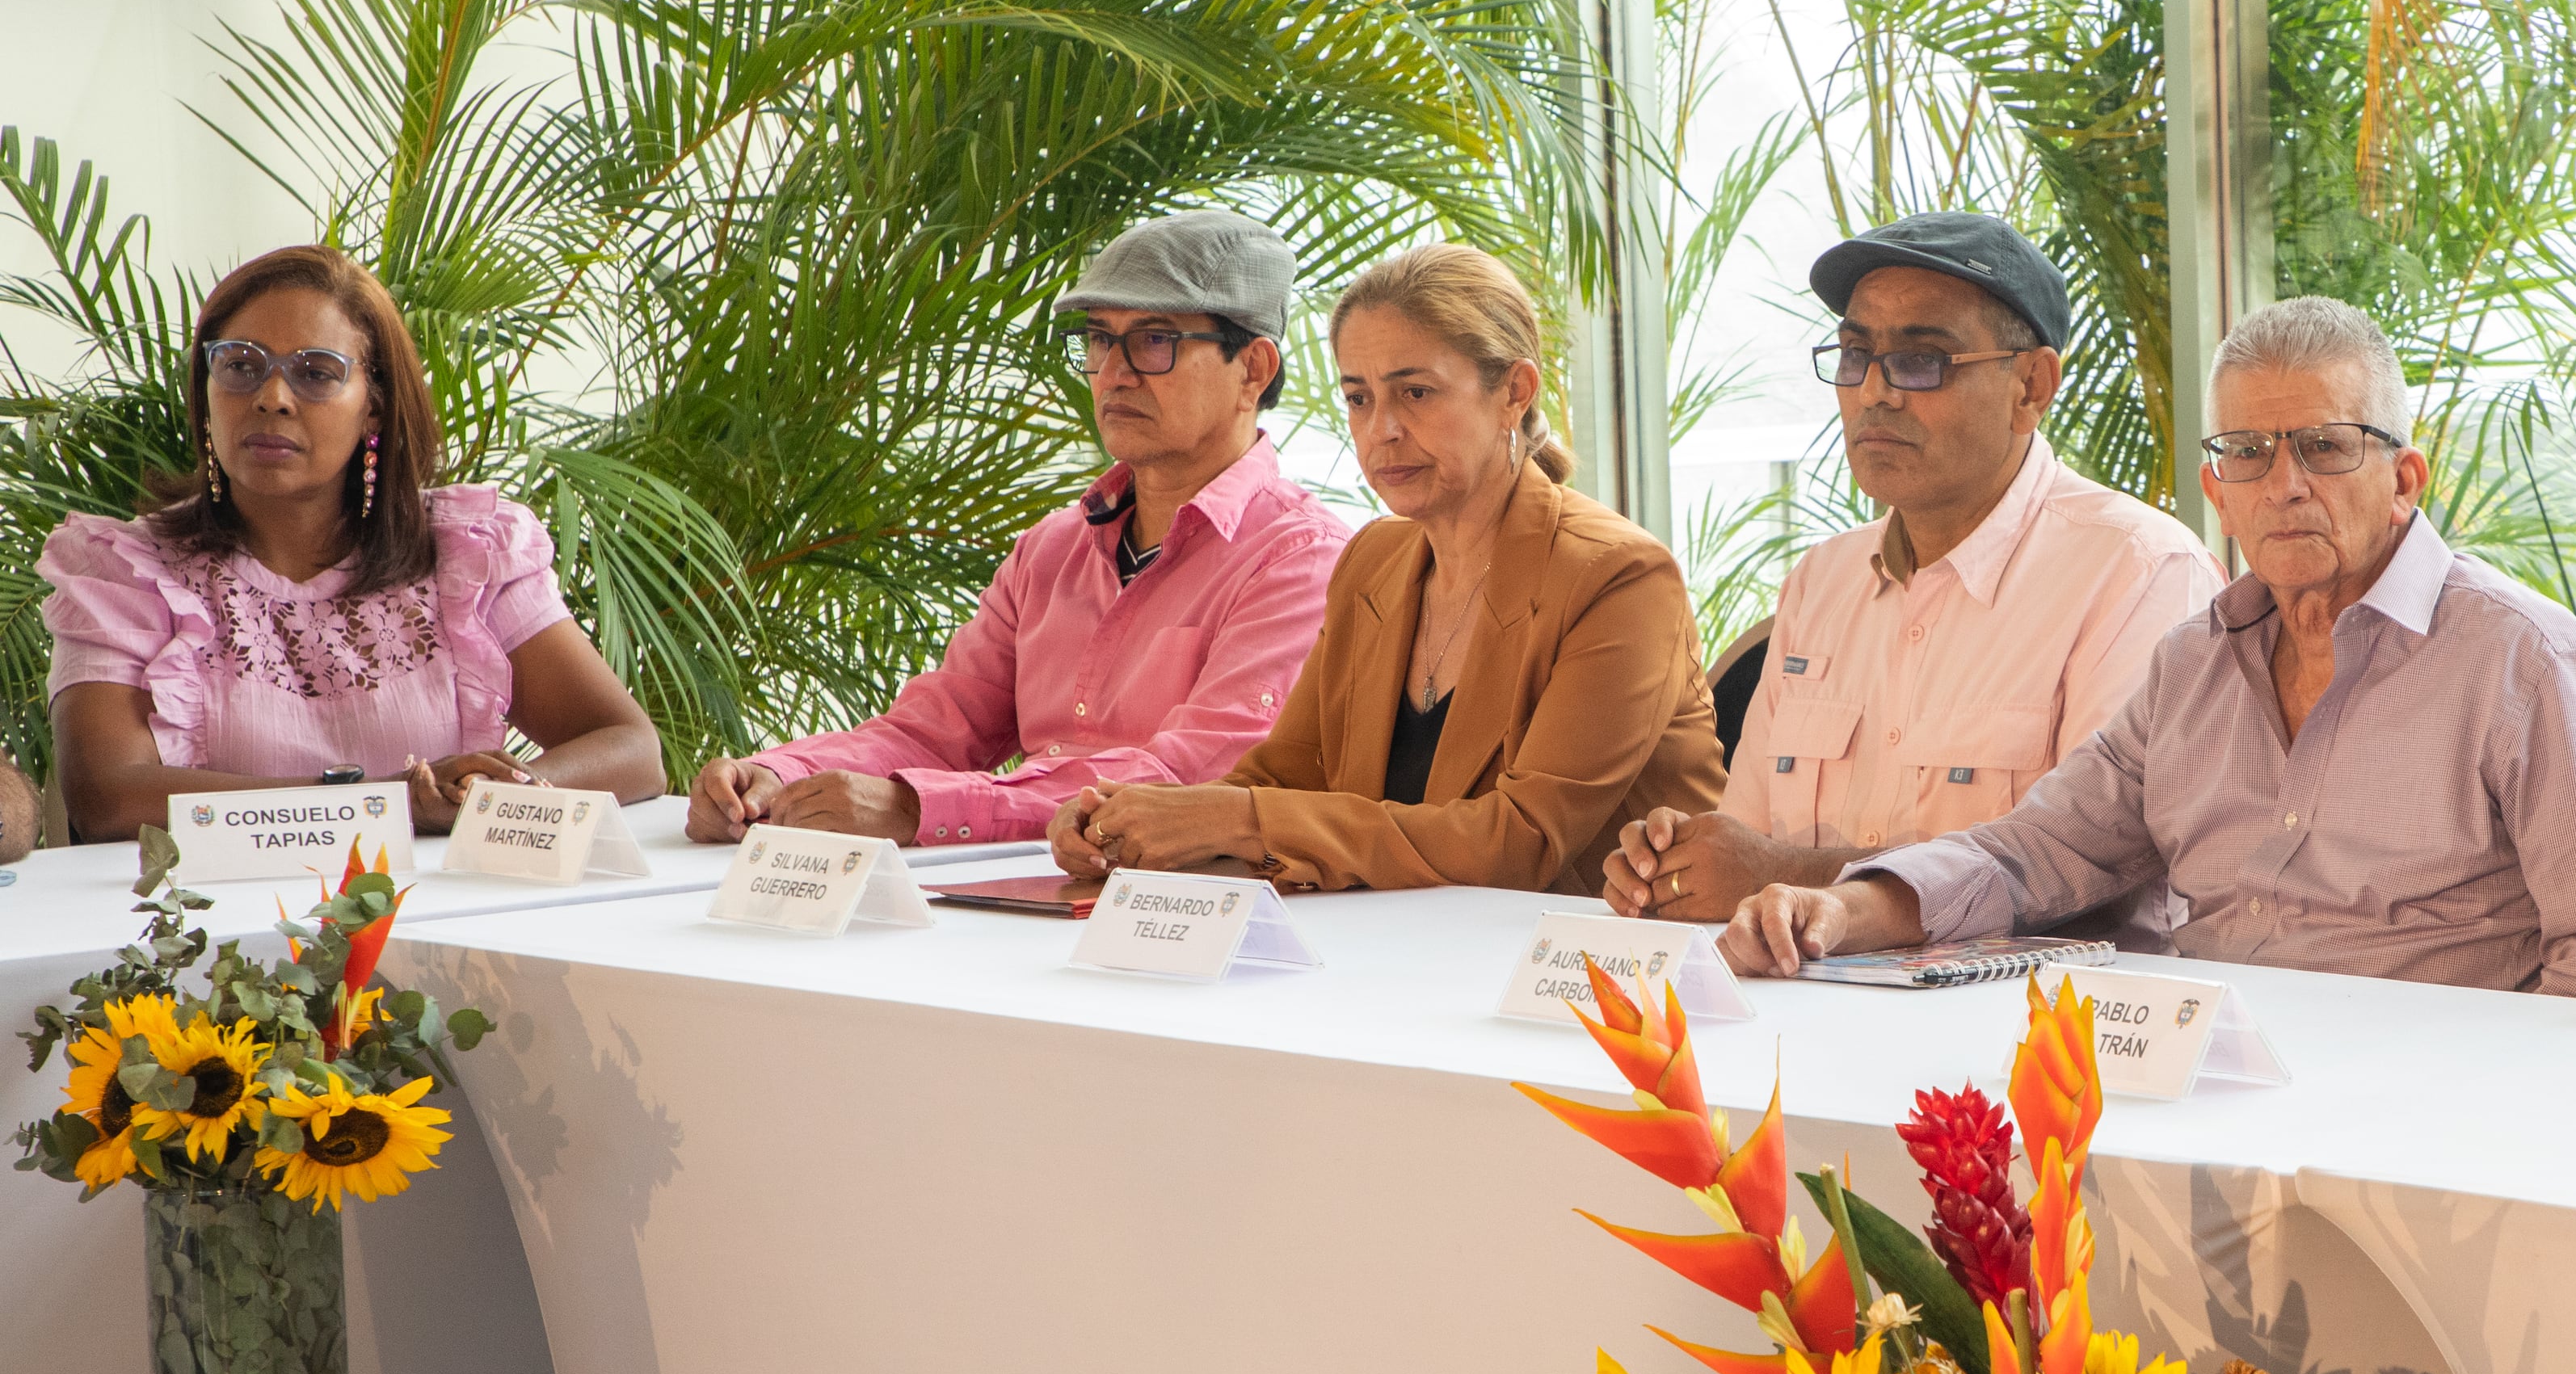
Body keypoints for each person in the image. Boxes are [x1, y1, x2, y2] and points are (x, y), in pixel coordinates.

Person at [1716, 294, 2576, 992]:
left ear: (2403, 476)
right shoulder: (2194, 664)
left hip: (2434, 1120)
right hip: (2205, 1085)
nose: (2283, 485)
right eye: (2246, 453)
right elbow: (2028, 854)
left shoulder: (2523, 662)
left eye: (2323, 448)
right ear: (2218, 491)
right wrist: (1840, 909)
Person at [1602, 212, 2217, 922]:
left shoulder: (2137, 574)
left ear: (2032, 387)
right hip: (1799, 1010)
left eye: (1921, 361)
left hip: (2029, 1017)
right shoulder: (1823, 582)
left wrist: (1790, 878)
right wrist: (1672, 868)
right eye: (1855, 355)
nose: (1874, 393)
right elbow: (1744, 846)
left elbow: (2085, 873)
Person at [1051, 242, 1721, 890]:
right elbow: (1279, 780)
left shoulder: (1621, 576)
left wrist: (1241, 820)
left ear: (1515, 391)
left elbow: (1519, 843)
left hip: (1598, 984)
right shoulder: (1373, 559)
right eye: (1359, 398)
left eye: (1417, 393)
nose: (1383, 431)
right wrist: (1127, 821)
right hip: (1395, 963)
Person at [688, 209, 1357, 847]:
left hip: (1180, 923)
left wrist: (919, 807)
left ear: (1255, 369)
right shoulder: (1053, 550)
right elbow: (937, 729)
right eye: (1098, 339)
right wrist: (778, 775)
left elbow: (1190, 779)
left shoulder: (1301, 559)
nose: (1114, 373)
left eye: (1155, 341)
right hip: (1018, 893)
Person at [43, 245, 659, 841]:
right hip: (218, 935)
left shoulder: (467, 551)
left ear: (375, 409)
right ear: (206, 393)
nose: (271, 398)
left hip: (446, 924)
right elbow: (107, 796)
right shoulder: (126, 569)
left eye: (315, 374)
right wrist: (384, 804)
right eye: (240, 365)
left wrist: (484, 797)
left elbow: (632, 750)